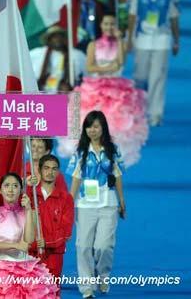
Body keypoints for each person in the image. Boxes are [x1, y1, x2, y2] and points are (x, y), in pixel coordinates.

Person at [57, 13, 148, 167]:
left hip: (117, 89)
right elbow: (90, 66)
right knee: (88, 118)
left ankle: (108, 154)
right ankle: (89, 152)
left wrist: (119, 40)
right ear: (101, 26)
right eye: (106, 24)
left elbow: (120, 62)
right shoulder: (93, 44)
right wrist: (105, 68)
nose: (109, 27)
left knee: (115, 122)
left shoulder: (121, 44)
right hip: (95, 87)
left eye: (112, 24)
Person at [67, 111, 125, 298]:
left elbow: (117, 175)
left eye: (97, 126)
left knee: (104, 246)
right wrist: (69, 202)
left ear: (103, 128)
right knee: (83, 245)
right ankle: (87, 287)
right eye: (89, 126)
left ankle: (103, 275)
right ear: (85, 129)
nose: (93, 130)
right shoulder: (80, 151)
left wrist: (122, 200)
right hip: (84, 205)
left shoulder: (113, 149)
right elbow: (76, 178)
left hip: (108, 203)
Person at [127, 0, 180, 126]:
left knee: (158, 77)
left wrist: (176, 40)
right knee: (140, 76)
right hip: (142, 39)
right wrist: (129, 39)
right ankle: (139, 109)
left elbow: (174, 18)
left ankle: (155, 113)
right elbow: (132, 16)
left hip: (162, 40)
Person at [28, 155, 74, 278]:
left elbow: (66, 231)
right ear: (39, 170)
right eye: (46, 168)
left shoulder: (66, 198)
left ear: (58, 172)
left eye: (54, 169)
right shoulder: (30, 195)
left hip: (54, 255)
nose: (50, 172)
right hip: (31, 253)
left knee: (52, 291)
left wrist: (46, 242)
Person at [30, 25, 87, 92]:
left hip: (70, 94)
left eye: (60, 36)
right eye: (54, 37)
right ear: (48, 39)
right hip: (40, 94)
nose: (57, 39)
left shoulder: (77, 55)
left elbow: (88, 76)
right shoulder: (36, 53)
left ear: (65, 38)